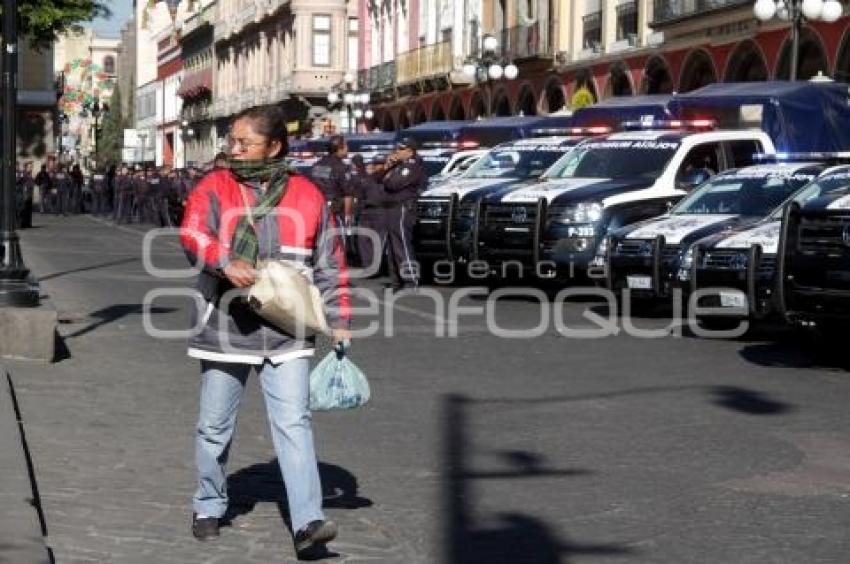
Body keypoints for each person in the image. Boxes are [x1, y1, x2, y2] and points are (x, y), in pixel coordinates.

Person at [179, 104, 350, 558]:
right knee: (215, 426)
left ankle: (307, 522)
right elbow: (192, 233)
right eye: (232, 141)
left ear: (274, 146)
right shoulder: (215, 186)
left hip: (288, 329)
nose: (234, 149)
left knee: (295, 424)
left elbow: (329, 263)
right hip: (225, 326)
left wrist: (339, 320)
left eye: (244, 143)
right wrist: (222, 260)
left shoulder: (308, 195)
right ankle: (208, 505)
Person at [380, 137, 426, 290]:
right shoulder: (398, 165)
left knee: (402, 245)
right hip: (391, 207)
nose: (397, 152)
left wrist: (388, 178)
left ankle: (410, 279)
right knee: (392, 248)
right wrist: (388, 167)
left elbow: (393, 183)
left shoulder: (412, 166)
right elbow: (380, 179)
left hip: (403, 208)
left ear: (409, 151)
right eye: (397, 149)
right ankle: (396, 280)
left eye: (401, 149)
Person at [352, 155, 389, 274]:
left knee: (379, 240)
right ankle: (368, 266)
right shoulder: (366, 179)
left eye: (381, 164)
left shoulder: (389, 178)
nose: (379, 166)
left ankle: (377, 267)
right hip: (366, 212)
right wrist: (358, 212)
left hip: (382, 211)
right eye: (377, 164)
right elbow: (359, 196)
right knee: (364, 239)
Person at [309, 135, 354, 228]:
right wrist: (347, 216)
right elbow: (348, 194)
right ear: (340, 148)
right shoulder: (341, 167)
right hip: (335, 214)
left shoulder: (317, 165)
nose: (348, 148)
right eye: (346, 146)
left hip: (317, 211)